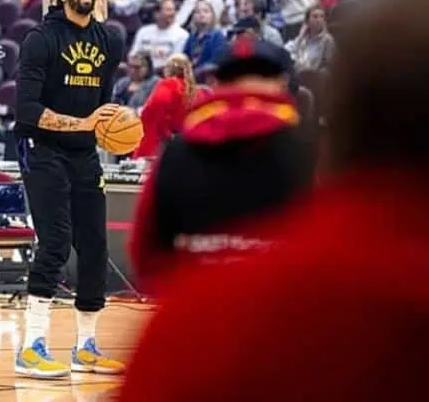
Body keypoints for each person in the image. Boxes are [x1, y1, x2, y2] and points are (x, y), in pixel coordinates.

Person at [119, 0, 429, 402]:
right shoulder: (306, 147)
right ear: (284, 82)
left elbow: (146, 256)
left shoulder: (180, 153)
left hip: (213, 329)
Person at [129, 37, 311, 293]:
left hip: (196, 309)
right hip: (277, 313)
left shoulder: (178, 153)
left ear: (216, 84)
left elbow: (144, 251)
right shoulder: (308, 152)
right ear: (282, 83)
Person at [14, 0, 125, 378]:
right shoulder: (41, 39)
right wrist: (83, 124)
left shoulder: (108, 40)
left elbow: (105, 103)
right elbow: (25, 108)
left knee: (95, 245)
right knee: (56, 240)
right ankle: (31, 347)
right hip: (40, 147)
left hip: (83, 153)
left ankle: (87, 346)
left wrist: (113, 128)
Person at [132, 53, 206, 159]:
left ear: (168, 69)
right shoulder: (198, 92)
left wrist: (166, 134)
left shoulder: (168, 85)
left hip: (157, 148)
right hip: (189, 149)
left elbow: (151, 112)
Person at [128, 0, 188, 70]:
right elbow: (133, 55)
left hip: (163, 74)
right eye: (168, 10)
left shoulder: (182, 35)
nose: (173, 13)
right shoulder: (143, 31)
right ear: (156, 14)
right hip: (139, 71)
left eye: (174, 10)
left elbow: (175, 63)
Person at [285, 6, 334, 72]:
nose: (319, 20)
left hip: (314, 77)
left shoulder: (327, 40)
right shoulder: (303, 37)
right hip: (296, 75)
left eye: (322, 16)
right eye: (315, 17)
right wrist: (300, 36)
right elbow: (288, 51)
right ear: (307, 21)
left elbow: (329, 65)